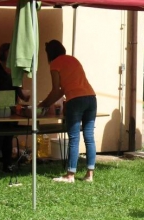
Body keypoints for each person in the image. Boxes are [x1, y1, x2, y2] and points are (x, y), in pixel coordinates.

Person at [38, 40, 97, 183]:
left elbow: (55, 89)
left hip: (75, 101)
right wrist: (47, 103)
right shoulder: (73, 60)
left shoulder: (55, 64)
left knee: (74, 138)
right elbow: (63, 90)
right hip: (91, 98)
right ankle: (89, 175)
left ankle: (70, 175)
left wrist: (43, 104)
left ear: (49, 53)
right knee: (89, 137)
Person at [0, 43, 30, 173]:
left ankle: (7, 164)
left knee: (9, 137)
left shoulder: (15, 71)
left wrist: (25, 97)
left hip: (13, 110)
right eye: (9, 53)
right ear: (2, 53)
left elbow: (18, 90)